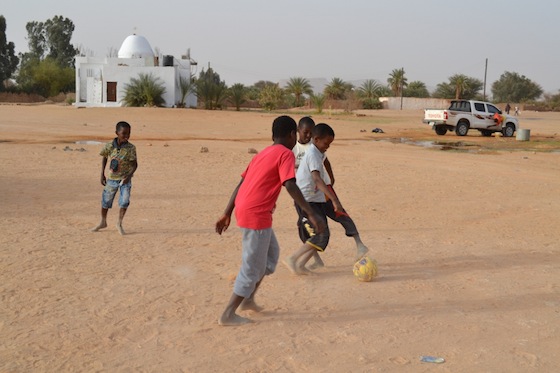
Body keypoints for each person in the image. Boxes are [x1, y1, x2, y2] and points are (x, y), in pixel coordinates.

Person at [215, 115, 325, 326]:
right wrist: (310, 214)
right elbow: (290, 185)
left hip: (251, 211)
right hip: (255, 214)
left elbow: (241, 184)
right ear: (292, 134)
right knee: (252, 267)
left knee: (270, 256)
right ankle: (228, 314)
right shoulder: (285, 154)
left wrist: (227, 212)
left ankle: (248, 299)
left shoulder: (264, 153)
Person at [292, 117, 368, 270]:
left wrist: (332, 180)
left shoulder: (317, 150)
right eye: (306, 133)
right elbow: (314, 177)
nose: (308, 136)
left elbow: (324, 165)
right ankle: (298, 260)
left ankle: (359, 244)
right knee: (312, 230)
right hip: (307, 196)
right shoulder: (299, 150)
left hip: (320, 191)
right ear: (298, 131)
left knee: (338, 215)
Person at [284, 123, 343, 275]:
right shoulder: (312, 154)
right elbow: (317, 179)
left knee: (323, 233)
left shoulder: (318, 152)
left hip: (315, 199)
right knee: (320, 233)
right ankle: (293, 258)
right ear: (316, 139)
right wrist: (334, 200)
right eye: (326, 144)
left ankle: (302, 264)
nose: (327, 147)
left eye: (329, 144)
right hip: (305, 200)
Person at [91, 121, 138, 235]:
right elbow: (105, 157)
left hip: (124, 180)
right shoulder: (109, 145)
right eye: (124, 133)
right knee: (106, 201)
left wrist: (128, 176)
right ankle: (103, 222)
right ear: (117, 133)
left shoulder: (131, 148)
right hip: (111, 179)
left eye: (129, 133)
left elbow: (135, 164)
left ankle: (119, 223)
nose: (127, 136)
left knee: (124, 201)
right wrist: (102, 173)